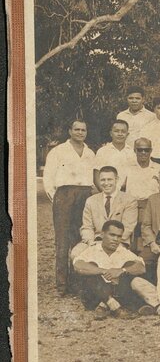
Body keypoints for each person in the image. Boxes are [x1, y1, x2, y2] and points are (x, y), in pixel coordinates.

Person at [44, 120, 97, 293]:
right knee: (62, 240)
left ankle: (76, 283)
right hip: (65, 195)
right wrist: (58, 199)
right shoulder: (58, 151)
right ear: (70, 131)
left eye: (83, 130)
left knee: (80, 238)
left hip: (84, 194)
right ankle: (62, 284)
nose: (80, 133)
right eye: (77, 129)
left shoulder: (90, 153)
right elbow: (48, 178)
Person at [72, 220, 146, 319]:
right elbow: (78, 265)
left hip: (118, 293)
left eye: (119, 236)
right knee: (91, 269)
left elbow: (141, 267)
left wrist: (121, 270)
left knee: (129, 267)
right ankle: (112, 305)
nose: (115, 239)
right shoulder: (93, 249)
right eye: (112, 235)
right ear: (102, 234)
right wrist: (102, 271)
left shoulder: (123, 251)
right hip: (94, 297)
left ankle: (103, 306)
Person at [73, 167, 138, 258]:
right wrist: (91, 242)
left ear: (116, 180)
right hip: (94, 241)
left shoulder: (129, 200)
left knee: (111, 256)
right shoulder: (91, 201)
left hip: (118, 242)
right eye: (103, 180)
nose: (106, 183)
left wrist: (107, 243)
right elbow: (87, 227)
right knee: (76, 253)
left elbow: (128, 227)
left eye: (109, 179)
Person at [121, 137, 160, 203]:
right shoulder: (127, 168)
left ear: (151, 151)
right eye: (140, 150)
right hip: (132, 205)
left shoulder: (158, 168)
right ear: (134, 150)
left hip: (152, 205)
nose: (143, 152)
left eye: (146, 150)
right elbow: (118, 188)